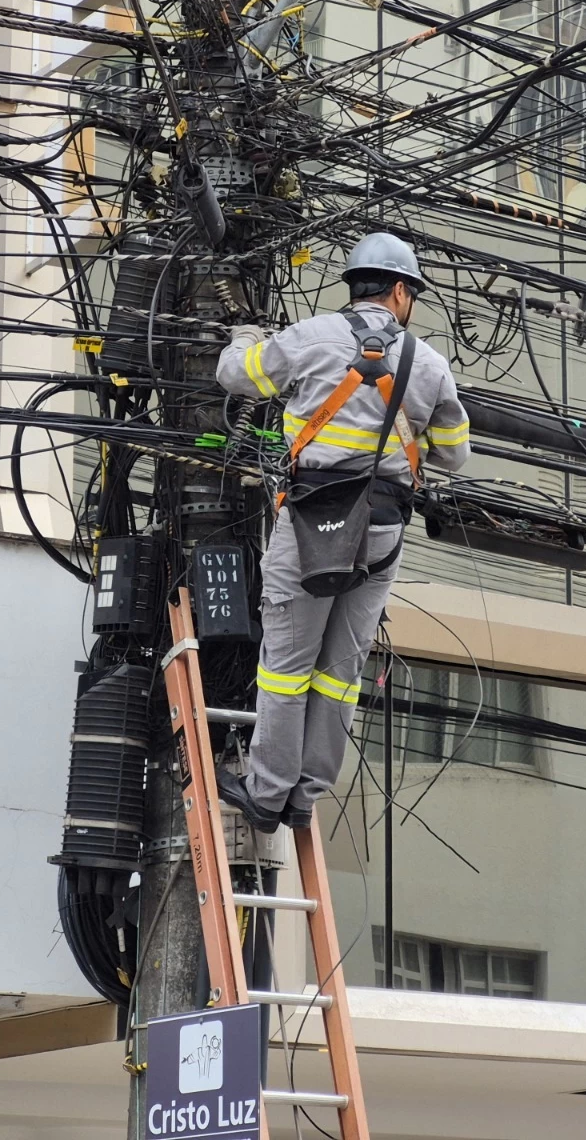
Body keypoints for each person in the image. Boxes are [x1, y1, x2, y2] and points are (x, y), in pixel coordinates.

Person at [213, 233, 471, 832]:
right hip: (382, 528)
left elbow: (236, 376)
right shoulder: (428, 364)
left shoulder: (310, 338)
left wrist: (246, 337)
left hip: (312, 521)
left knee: (284, 665)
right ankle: (305, 795)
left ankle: (267, 791)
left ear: (355, 286)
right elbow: (455, 455)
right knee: (339, 670)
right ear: (401, 291)